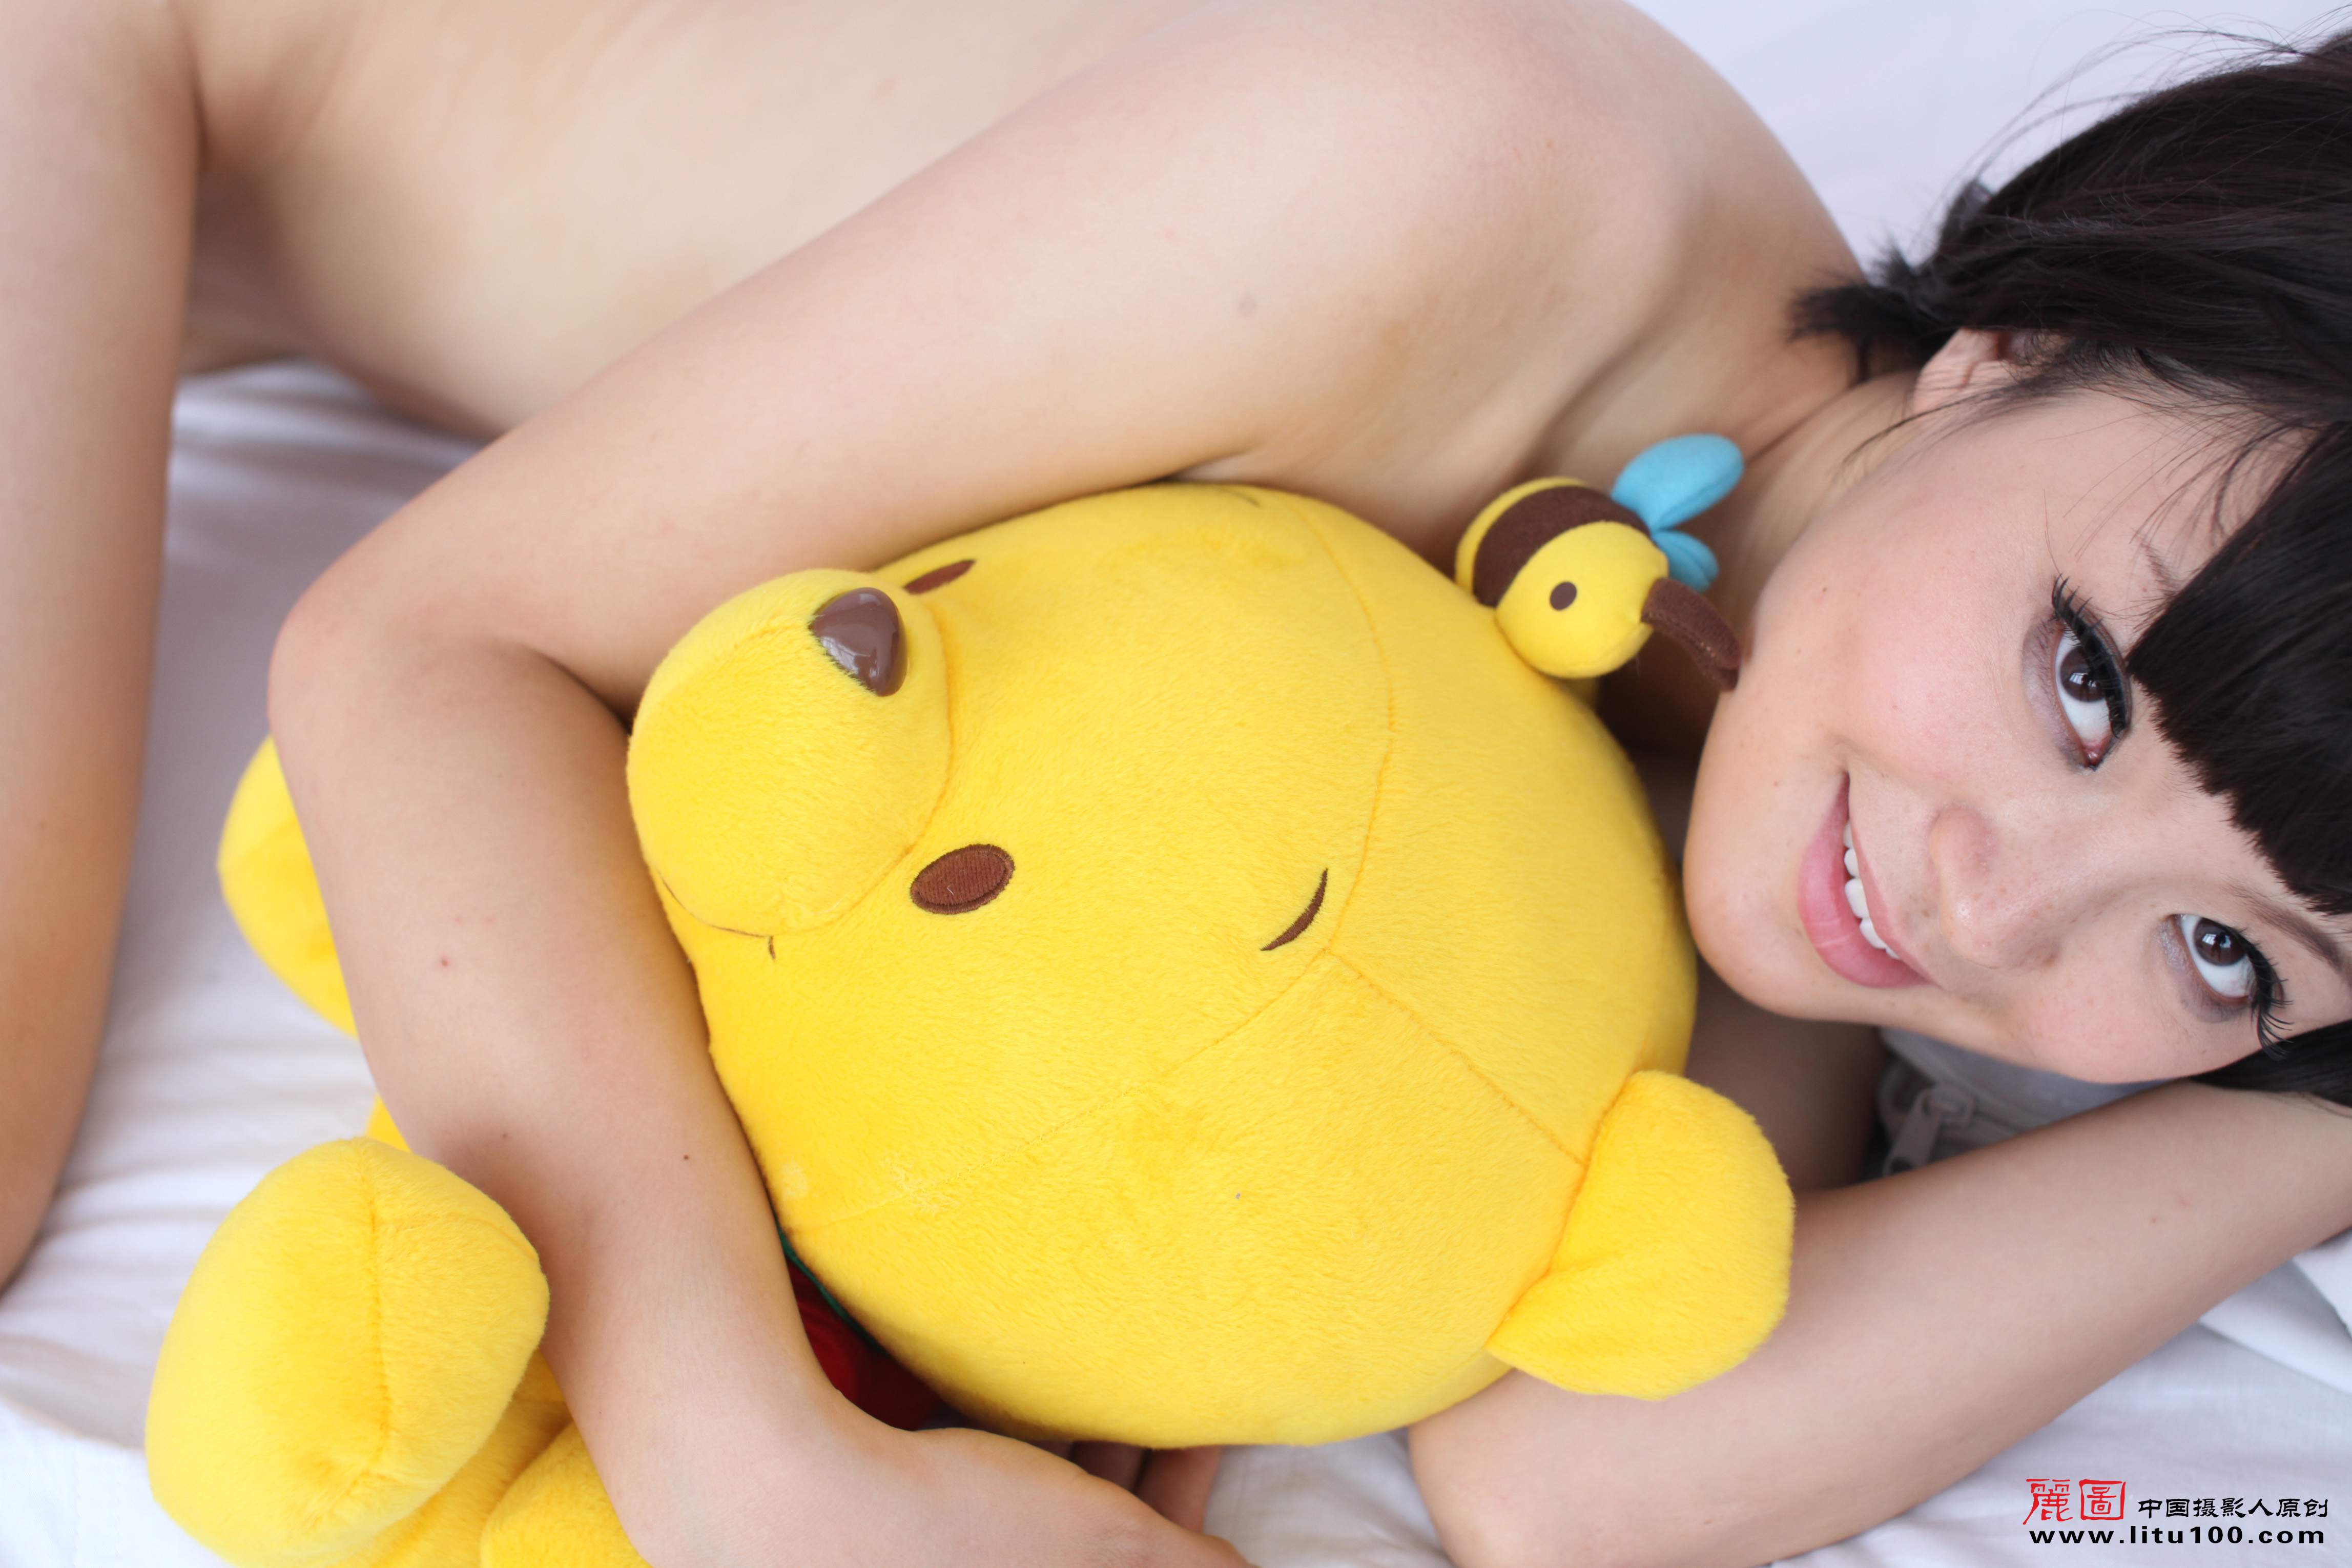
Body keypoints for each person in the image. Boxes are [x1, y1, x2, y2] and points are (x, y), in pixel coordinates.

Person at [4, 0, 2348, 1563]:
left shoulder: (1763, 809)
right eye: (2076, 679)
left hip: (265, 268)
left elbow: (1566, 1474)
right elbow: (418, 645)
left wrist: (2310, 1111)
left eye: (2220, 947)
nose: (1990, 905)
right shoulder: (1460, 187)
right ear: (2009, 348)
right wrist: (738, 1451)